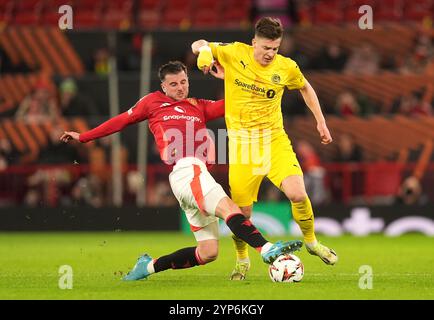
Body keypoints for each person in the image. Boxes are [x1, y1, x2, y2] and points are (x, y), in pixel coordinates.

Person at [60, 61, 302, 281]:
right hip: (187, 170)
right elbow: (121, 120)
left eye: (183, 82)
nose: (179, 88)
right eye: (173, 84)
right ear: (163, 86)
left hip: (193, 177)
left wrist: (231, 79)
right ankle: (268, 249)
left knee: (208, 252)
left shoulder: (198, 106)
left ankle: (149, 266)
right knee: (230, 208)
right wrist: (84, 137)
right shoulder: (152, 102)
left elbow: (237, 104)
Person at [192, 17, 338, 281]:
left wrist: (321, 121)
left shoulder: (286, 67)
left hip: (274, 142)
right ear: (253, 43)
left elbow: (305, 87)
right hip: (242, 149)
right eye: (265, 48)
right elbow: (199, 44)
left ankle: (312, 242)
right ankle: (241, 260)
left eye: (275, 48)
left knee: (297, 193)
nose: (270, 54)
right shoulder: (234, 52)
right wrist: (204, 54)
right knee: (241, 213)